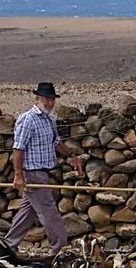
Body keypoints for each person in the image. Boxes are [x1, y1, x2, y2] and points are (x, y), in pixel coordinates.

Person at [5, 82, 84, 253]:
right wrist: (18, 176)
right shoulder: (27, 119)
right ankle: (61, 249)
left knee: (28, 213)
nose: (49, 103)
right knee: (50, 213)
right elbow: (18, 148)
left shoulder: (49, 119)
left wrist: (71, 156)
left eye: (51, 99)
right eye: (46, 99)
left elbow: (55, 142)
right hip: (33, 173)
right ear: (37, 98)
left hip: (42, 172)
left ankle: (7, 246)